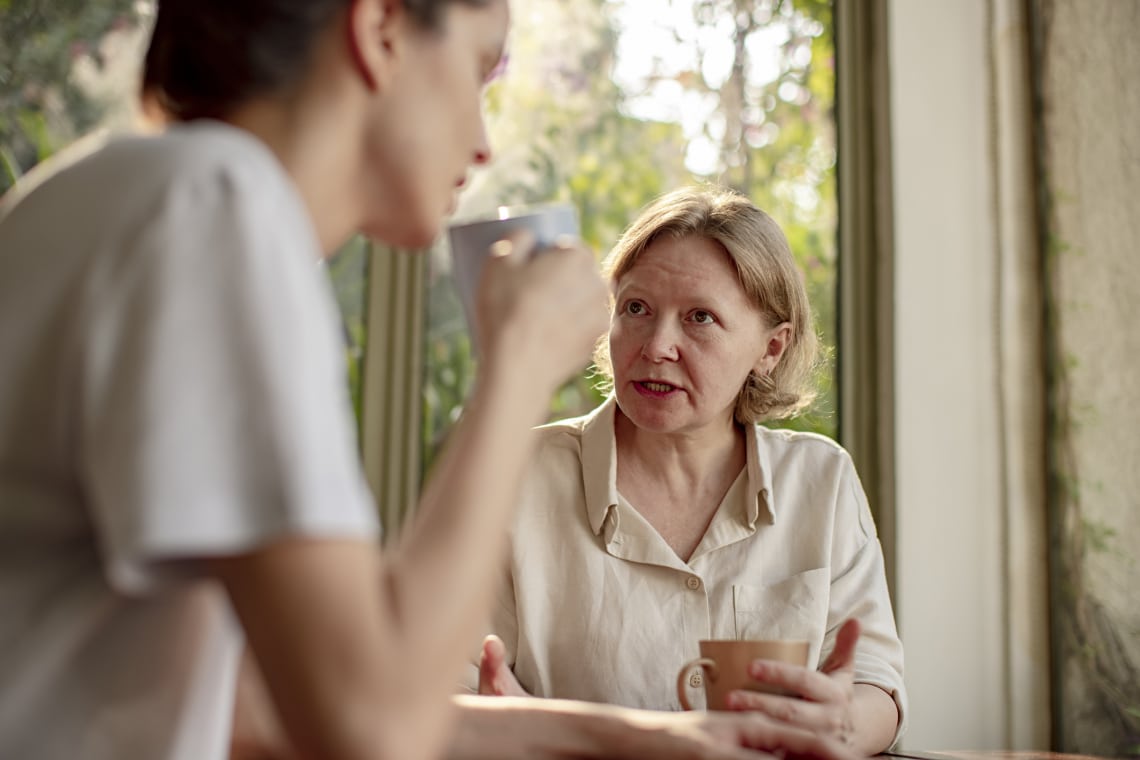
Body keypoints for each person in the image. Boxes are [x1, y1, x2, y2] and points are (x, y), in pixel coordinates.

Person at [0, 2, 858, 760]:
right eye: (481, 69)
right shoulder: (218, 206)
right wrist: (516, 364)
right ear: (378, 30)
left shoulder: (96, 196)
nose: (483, 140)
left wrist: (669, 738)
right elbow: (371, 724)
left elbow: (253, 710)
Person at [470, 186, 908, 754]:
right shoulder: (518, 474)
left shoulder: (821, 480)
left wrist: (839, 721)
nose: (657, 346)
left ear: (771, 348)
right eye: (636, 309)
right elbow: (454, 690)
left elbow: (876, 682)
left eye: (699, 318)